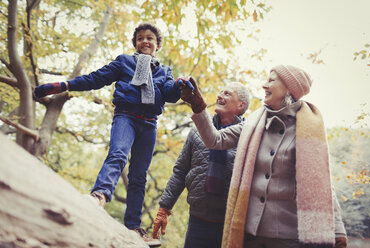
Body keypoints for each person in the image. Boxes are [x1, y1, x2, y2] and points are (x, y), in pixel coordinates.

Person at [33, 23, 193, 247]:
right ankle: (99, 196)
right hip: (125, 116)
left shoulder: (164, 71)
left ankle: (134, 227)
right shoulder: (124, 62)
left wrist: (179, 85)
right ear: (135, 44)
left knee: (139, 176)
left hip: (149, 124)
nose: (145, 41)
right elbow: (95, 79)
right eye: (140, 38)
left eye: (150, 38)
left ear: (157, 46)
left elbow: (169, 94)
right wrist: (64, 85)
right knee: (118, 154)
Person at [180, 66, 347, 248]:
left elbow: (321, 182)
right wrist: (198, 106)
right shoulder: (253, 123)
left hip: (288, 237)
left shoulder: (308, 130)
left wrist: (337, 229)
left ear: (289, 88)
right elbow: (215, 140)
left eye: (271, 80)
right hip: (250, 234)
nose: (264, 85)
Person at [152, 82, 250, 247]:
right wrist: (164, 208)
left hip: (231, 224)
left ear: (241, 105)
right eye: (220, 92)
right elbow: (180, 172)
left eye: (227, 93)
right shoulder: (196, 131)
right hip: (197, 221)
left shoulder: (249, 136)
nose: (220, 96)